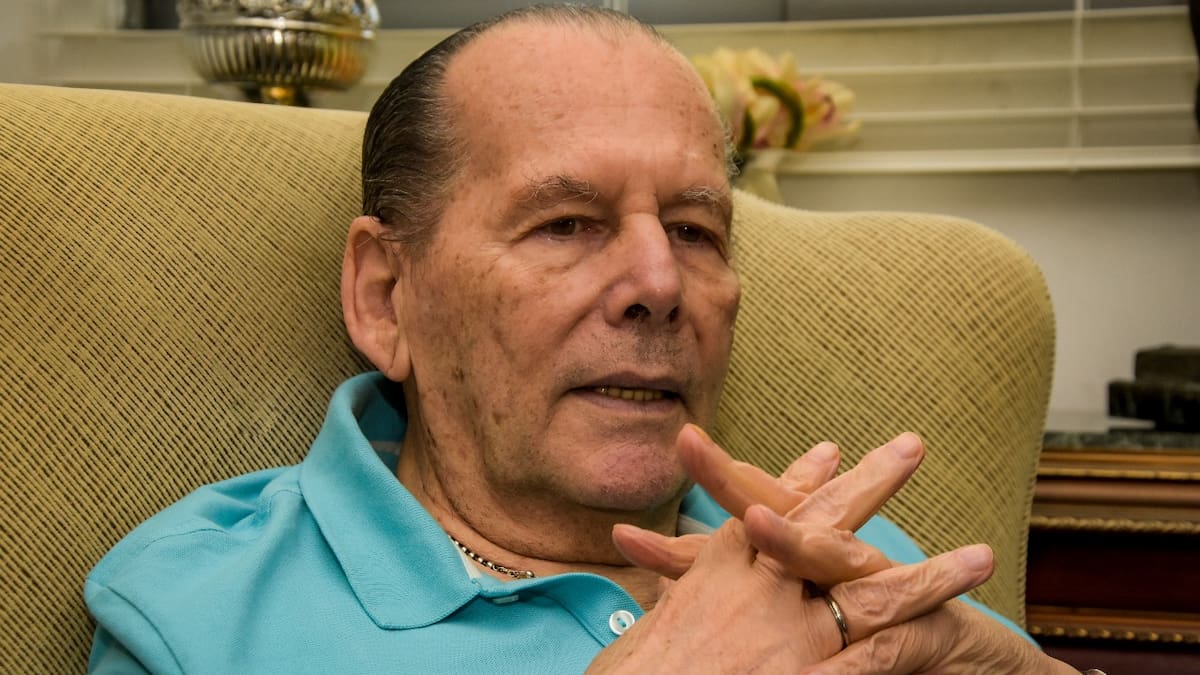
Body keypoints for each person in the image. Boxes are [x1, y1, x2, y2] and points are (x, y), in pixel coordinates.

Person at [85, 5, 1092, 673]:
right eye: (566, 224)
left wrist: (1001, 663)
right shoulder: (199, 614)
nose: (660, 284)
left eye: (694, 230)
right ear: (388, 298)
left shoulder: (836, 549)